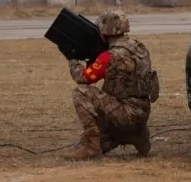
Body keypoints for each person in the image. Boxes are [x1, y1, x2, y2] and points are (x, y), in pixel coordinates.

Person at [64, 9, 160, 160]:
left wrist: (72, 59)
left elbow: (83, 77)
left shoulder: (110, 56)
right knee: (107, 140)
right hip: (142, 111)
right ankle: (137, 135)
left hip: (125, 114)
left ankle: (91, 146)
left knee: (80, 92)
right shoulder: (139, 48)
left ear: (104, 31)